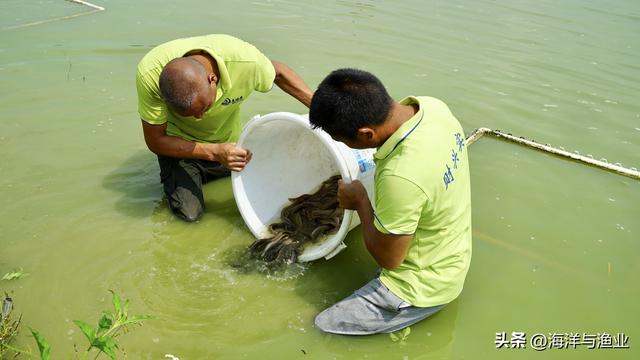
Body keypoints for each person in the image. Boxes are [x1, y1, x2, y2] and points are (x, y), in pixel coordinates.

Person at [308, 68, 472, 335]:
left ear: (366, 135)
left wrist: (360, 201)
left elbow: (390, 259)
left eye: (341, 140)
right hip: (452, 255)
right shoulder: (432, 108)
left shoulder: (401, 175)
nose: (341, 143)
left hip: (421, 287)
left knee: (320, 327)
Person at [136, 34, 312, 222]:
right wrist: (213, 152)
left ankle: (211, 171)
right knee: (190, 215)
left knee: (276, 178)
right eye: (188, 114)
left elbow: (278, 72)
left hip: (228, 143)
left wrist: (320, 107)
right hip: (182, 149)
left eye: (203, 108)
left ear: (213, 79)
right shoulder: (150, 76)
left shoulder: (246, 60)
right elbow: (155, 140)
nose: (199, 118)